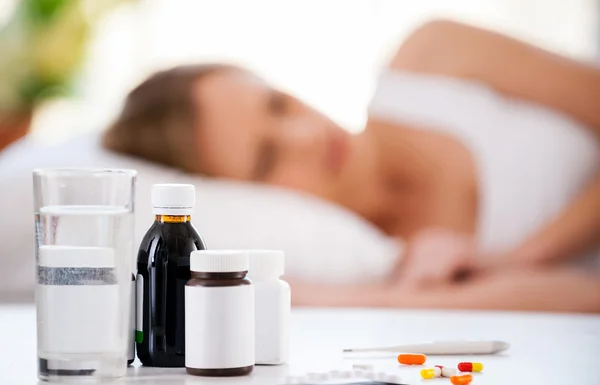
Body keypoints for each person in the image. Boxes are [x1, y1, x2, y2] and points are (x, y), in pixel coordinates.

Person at [103, 20, 600, 312]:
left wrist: (524, 258)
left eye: (279, 105)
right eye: (267, 159)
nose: (308, 135)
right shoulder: (380, 273)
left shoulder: (433, 57)